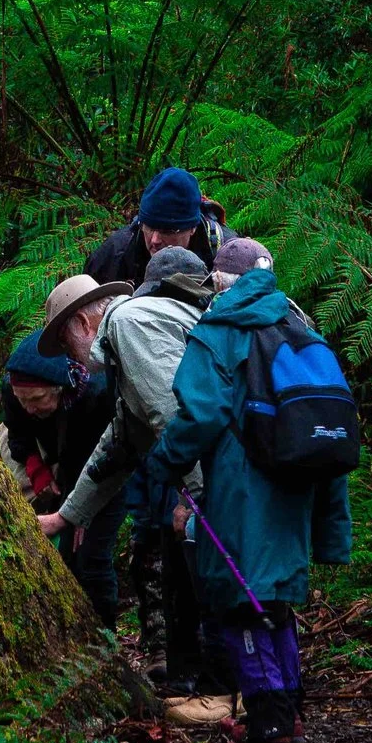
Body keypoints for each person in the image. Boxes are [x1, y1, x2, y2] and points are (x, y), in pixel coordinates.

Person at [144, 258, 354, 743]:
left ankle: (269, 723)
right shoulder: (296, 324)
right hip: (297, 481)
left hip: (244, 482)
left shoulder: (220, 330)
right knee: (273, 599)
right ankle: (290, 716)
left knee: (241, 602)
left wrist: (164, 461)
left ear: (219, 281)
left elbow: (201, 413)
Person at [39, 242, 225, 691]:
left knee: (215, 573)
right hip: (238, 458)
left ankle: (234, 697)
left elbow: (174, 413)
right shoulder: (138, 328)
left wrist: (194, 497)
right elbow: (121, 444)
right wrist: (67, 516)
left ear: (84, 324)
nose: (71, 358)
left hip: (231, 472)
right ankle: (221, 690)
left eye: (66, 343)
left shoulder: (128, 324)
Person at [0, 336, 121, 622]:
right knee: (69, 555)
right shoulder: (15, 391)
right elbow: (18, 433)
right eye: (22, 400)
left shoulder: (95, 393)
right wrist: (39, 474)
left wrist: (81, 511)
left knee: (92, 556)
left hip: (109, 471)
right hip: (60, 461)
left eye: (37, 399)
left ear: (58, 387)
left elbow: (102, 456)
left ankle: (106, 636)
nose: (29, 408)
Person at [84, 166, 229, 286]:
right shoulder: (111, 258)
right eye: (149, 227)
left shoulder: (227, 255)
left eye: (167, 231)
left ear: (192, 228)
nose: (154, 240)